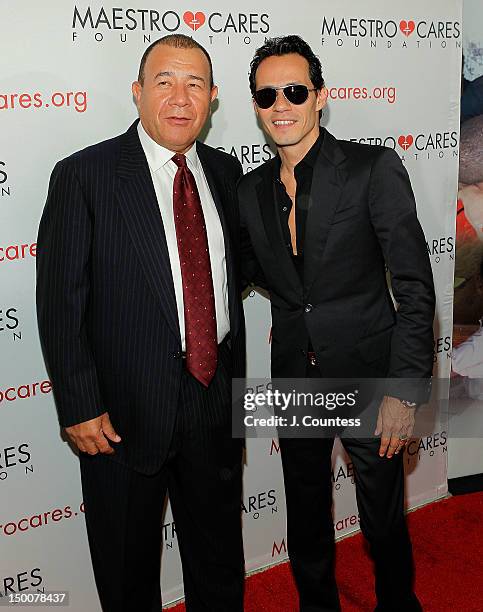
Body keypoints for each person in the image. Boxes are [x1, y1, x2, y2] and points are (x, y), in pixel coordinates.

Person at [37, 34, 245, 612]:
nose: (180, 98)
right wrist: (78, 404)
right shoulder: (85, 175)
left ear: (213, 98)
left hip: (213, 396)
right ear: (136, 92)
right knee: (127, 572)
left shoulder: (227, 174)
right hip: (120, 413)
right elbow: (60, 302)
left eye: (195, 84)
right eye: (164, 82)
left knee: (219, 561)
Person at [238, 35, 435, 612]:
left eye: (294, 90)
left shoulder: (373, 168)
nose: (281, 104)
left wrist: (405, 388)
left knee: (381, 521)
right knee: (304, 516)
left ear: (320, 96)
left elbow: (415, 285)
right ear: (254, 104)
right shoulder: (251, 191)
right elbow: (252, 275)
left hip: (370, 377)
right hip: (296, 376)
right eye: (267, 94)